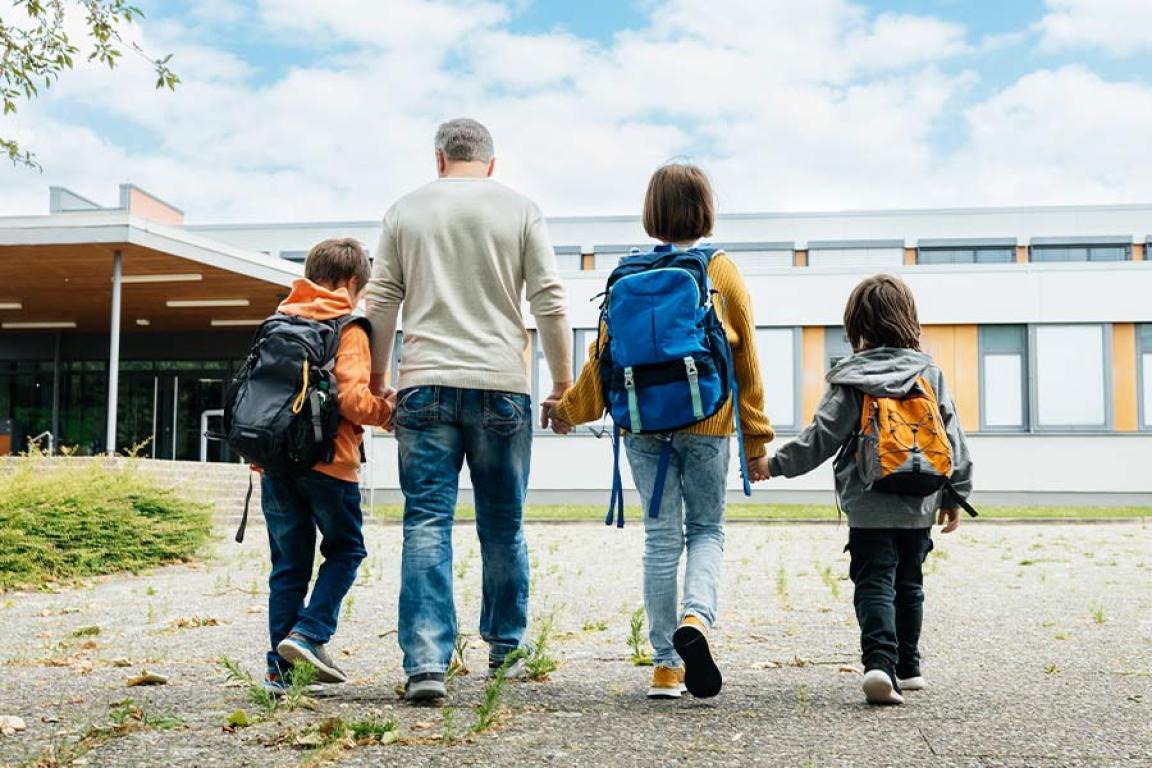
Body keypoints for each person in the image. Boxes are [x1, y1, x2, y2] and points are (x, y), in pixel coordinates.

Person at [547, 163, 774, 700]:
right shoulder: (720, 270)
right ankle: (695, 620)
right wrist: (757, 443)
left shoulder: (627, 274)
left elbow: (602, 361)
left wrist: (567, 410)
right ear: (705, 209)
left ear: (651, 213)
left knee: (660, 540)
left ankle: (667, 667)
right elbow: (748, 365)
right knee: (707, 531)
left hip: (644, 424)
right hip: (709, 421)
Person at [365, 118, 573, 703]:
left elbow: (381, 299)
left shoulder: (405, 210)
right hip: (502, 385)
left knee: (427, 520)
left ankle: (427, 663)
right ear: (491, 163)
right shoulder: (521, 209)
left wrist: (379, 380)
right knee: (503, 525)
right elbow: (550, 300)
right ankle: (506, 649)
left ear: (438, 160)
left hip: (424, 384)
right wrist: (561, 383)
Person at [763, 274, 973, 705]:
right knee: (910, 582)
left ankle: (880, 664)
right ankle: (909, 668)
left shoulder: (851, 376)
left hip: (868, 501)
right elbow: (953, 437)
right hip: (920, 498)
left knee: (875, 579)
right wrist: (956, 495)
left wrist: (773, 465)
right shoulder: (929, 372)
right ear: (908, 320)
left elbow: (820, 437)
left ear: (856, 325)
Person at [262, 238, 394, 694]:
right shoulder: (347, 327)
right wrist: (387, 412)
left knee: (288, 565)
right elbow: (354, 401)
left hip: (275, 463)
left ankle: (280, 672)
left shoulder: (278, 320)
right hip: (328, 462)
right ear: (354, 282)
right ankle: (309, 634)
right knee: (346, 550)